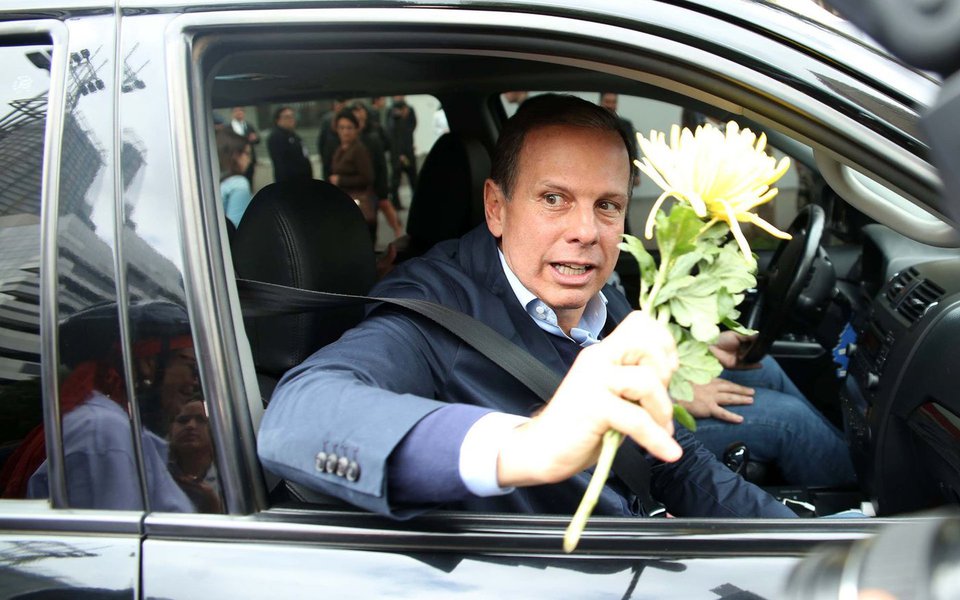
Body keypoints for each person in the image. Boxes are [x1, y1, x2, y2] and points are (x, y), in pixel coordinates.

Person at [258, 94, 795, 519]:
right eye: (554, 199)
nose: (585, 231)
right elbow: (298, 416)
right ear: (496, 206)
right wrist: (524, 444)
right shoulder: (430, 309)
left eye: (606, 205)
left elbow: (673, 460)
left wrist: (797, 550)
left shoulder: (600, 293)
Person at [1, 301, 199, 512]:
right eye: (191, 367)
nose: (195, 382)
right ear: (147, 364)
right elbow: (119, 540)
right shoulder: (104, 431)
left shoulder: (110, 426)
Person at [687, 333, 856, 487]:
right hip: (663, 420)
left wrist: (705, 345)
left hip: (663, 382)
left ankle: (847, 458)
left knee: (762, 367)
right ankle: (854, 490)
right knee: (787, 420)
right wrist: (678, 396)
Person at [353, 101, 404, 240]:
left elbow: (386, 147)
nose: (359, 114)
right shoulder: (353, 133)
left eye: (361, 110)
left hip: (377, 174)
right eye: (356, 111)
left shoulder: (375, 130)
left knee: (384, 203)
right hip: (362, 179)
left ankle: (398, 230)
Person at [329, 109, 378, 237]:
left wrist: (340, 180)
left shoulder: (359, 150)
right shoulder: (341, 149)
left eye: (349, 128)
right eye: (342, 128)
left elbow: (368, 177)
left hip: (358, 203)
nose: (345, 132)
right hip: (345, 202)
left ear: (356, 129)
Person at [168, 400, 222, 513]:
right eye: (183, 420)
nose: (190, 426)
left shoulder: (230, 477)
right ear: (170, 429)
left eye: (201, 420)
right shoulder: (156, 472)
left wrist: (212, 503)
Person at [216, 128, 253, 228]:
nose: (249, 160)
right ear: (236, 155)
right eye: (247, 154)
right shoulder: (239, 184)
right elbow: (237, 228)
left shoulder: (216, 181)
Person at [387, 95, 418, 209]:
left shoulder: (410, 111)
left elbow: (413, 126)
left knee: (413, 178)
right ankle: (396, 203)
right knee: (396, 180)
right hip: (397, 153)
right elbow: (391, 134)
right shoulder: (392, 115)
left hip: (408, 150)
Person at [267, 106, 313, 183]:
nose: (291, 119)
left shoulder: (293, 135)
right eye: (287, 117)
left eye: (292, 116)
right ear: (278, 120)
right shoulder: (276, 137)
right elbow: (281, 165)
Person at [318, 98, 348, 179]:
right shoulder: (327, 119)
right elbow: (322, 139)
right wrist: (321, 155)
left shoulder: (348, 119)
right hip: (330, 154)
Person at [229, 106, 260, 185]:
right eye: (236, 111)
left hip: (249, 158)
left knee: (249, 180)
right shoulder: (229, 128)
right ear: (232, 113)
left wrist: (255, 138)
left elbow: (257, 140)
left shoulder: (249, 126)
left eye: (241, 111)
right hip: (235, 159)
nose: (239, 113)